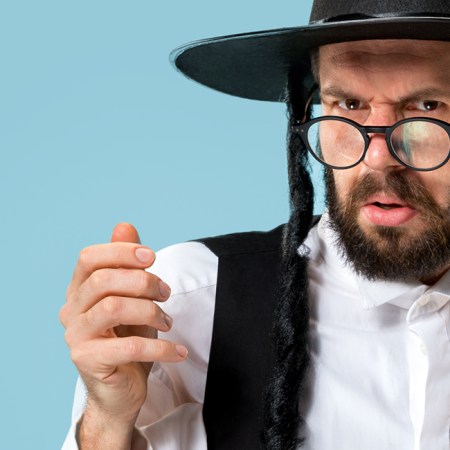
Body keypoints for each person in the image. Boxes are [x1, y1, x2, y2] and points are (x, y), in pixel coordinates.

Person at [60, 1, 450, 449]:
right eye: (349, 103)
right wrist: (108, 420)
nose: (377, 156)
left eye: (427, 105)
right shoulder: (187, 304)